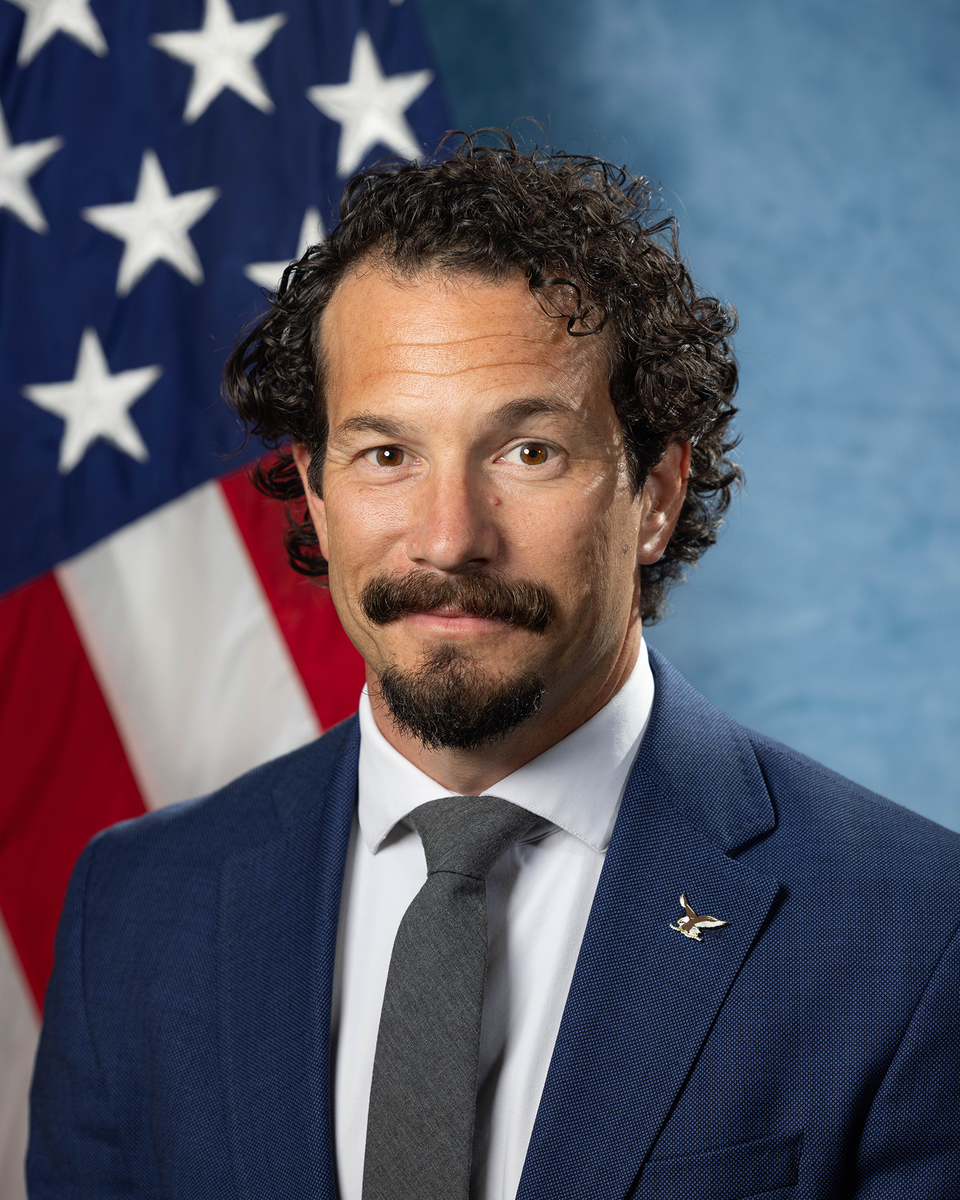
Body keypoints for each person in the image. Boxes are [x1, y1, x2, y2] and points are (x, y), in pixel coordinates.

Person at [29, 134, 960, 1199]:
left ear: (654, 493)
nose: (450, 536)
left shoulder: (915, 935)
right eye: (388, 454)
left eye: (529, 453)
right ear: (317, 497)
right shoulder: (137, 911)